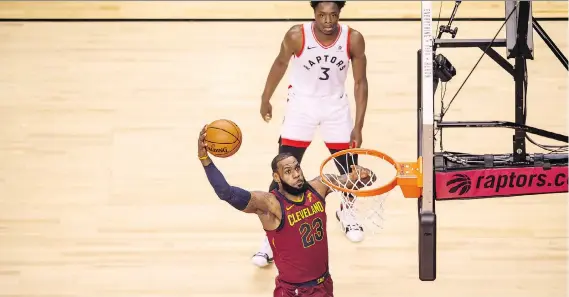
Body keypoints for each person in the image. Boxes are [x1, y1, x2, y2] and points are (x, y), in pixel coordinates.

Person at [198, 125, 376, 297]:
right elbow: (226, 192)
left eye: (297, 168)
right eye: (288, 171)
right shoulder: (271, 204)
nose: (296, 174)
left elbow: (361, 182)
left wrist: (364, 174)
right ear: (277, 177)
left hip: (323, 285)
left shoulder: (319, 187)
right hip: (292, 291)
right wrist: (205, 159)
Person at [255, 0, 370, 267]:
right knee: (284, 168)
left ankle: (347, 211)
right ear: (313, 13)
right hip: (301, 107)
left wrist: (359, 125)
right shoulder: (297, 35)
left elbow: (360, 82)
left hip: (336, 107)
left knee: (347, 166)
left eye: (333, 15)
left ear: (340, 13)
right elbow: (280, 63)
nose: (327, 21)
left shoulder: (353, 39)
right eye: (322, 15)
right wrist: (265, 98)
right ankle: (270, 235)